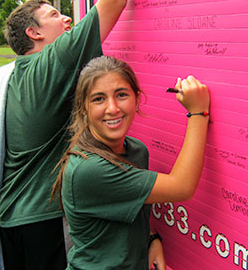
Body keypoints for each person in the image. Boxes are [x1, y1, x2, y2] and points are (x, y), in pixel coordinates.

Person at [0, 0, 132, 269]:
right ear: (33, 33)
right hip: (44, 222)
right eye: (53, 15)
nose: (66, 19)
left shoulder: (12, 77)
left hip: (10, 221)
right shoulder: (51, 64)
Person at [51, 55, 210, 269]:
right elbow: (182, 187)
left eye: (121, 95)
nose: (113, 108)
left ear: (136, 98)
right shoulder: (90, 168)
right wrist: (198, 112)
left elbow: (127, 209)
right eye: (98, 99)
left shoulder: (135, 150)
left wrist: (151, 239)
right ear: (83, 108)